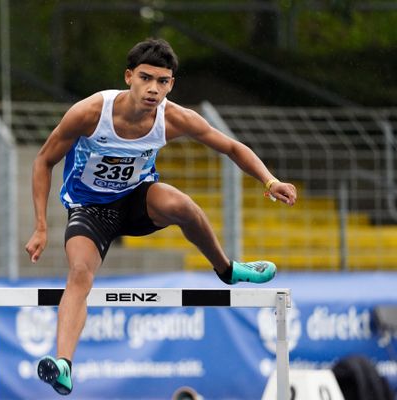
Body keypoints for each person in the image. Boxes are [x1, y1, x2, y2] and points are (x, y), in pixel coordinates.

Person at [25, 38, 297, 396]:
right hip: (90, 209)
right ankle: (63, 366)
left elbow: (231, 146)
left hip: (138, 200)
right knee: (78, 274)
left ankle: (226, 269)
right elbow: (44, 160)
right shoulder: (91, 112)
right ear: (129, 77)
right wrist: (41, 226)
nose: (154, 89)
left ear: (171, 84)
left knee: (182, 205)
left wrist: (270, 179)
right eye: (146, 78)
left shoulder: (174, 118)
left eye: (163, 81)